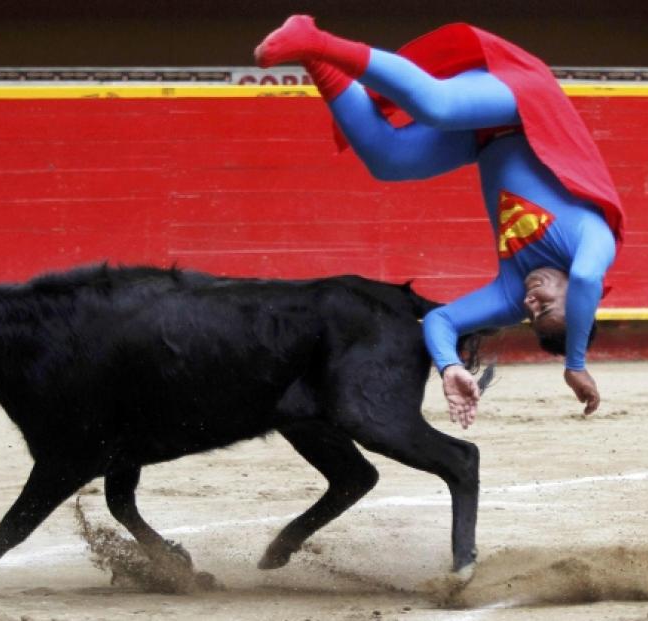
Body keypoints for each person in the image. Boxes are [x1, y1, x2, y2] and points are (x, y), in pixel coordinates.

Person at [254, 16, 626, 429]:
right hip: (530, 106)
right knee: (437, 105)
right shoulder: (593, 243)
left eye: (533, 316)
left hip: (487, 138)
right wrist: (576, 364)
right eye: (549, 307)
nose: (530, 304)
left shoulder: (512, 293)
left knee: (388, 159)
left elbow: (440, 320)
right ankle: (318, 41)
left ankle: (314, 57)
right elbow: (589, 278)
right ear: (580, 299)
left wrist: (450, 366)